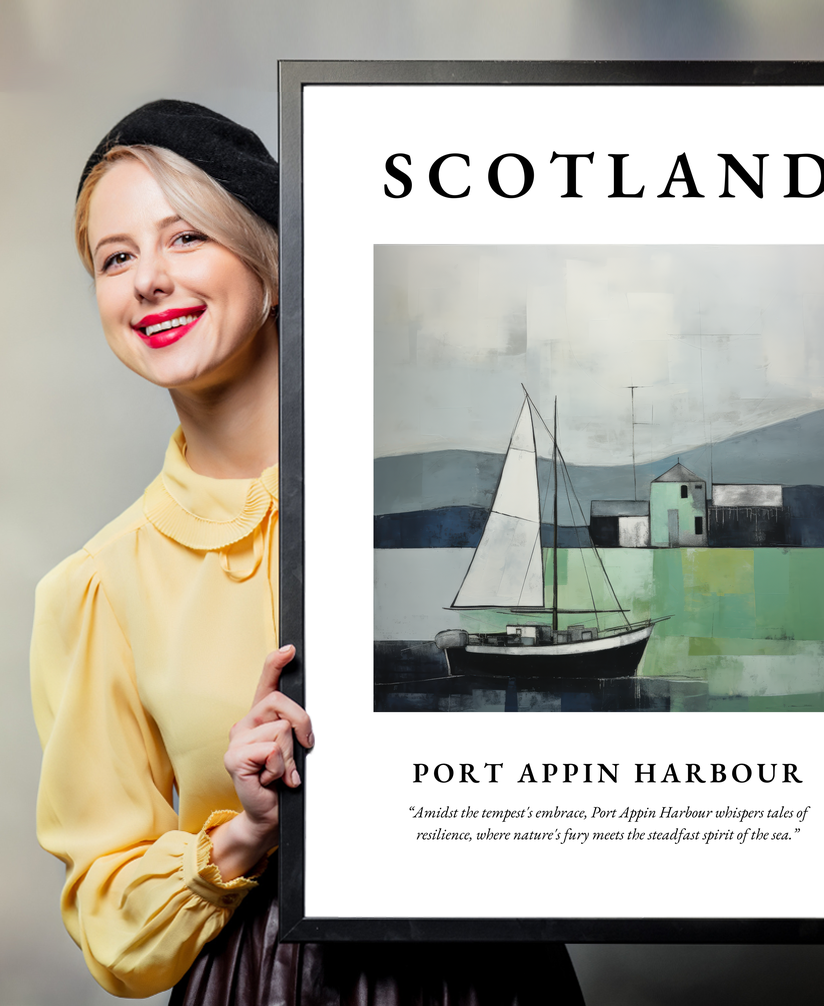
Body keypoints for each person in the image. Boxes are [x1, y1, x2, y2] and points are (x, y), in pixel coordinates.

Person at [30, 100, 585, 1004]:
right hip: (263, 982)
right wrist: (245, 832)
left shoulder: (444, 505)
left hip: (493, 973)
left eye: (186, 238)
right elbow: (110, 923)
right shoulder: (98, 587)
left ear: (273, 264)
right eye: (116, 257)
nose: (148, 281)